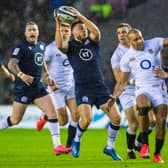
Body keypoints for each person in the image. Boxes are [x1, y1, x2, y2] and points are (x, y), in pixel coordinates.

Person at [55, 7, 122, 160]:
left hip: (100, 87)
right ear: (73, 32)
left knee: (116, 118)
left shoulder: (92, 42)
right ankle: (76, 141)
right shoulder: (70, 46)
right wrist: (58, 24)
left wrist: (81, 17)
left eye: (85, 28)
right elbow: (60, 45)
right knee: (86, 119)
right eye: (80, 28)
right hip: (83, 88)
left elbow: (97, 32)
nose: (84, 30)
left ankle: (109, 147)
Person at [0, 21, 71, 155]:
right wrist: (21, 75)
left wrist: (47, 76)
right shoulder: (21, 47)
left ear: (38, 32)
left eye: (34, 30)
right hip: (24, 88)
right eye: (29, 30)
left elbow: (42, 62)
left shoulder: (42, 46)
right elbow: (11, 64)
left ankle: (57, 146)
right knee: (15, 120)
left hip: (38, 88)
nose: (32, 32)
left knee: (52, 114)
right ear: (25, 33)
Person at [112, 28, 168, 163]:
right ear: (130, 41)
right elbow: (122, 81)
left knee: (160, 122)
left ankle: (157, 154)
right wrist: (113, 97)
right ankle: (145, 144)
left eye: (141, 37)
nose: (140, 41)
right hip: (142, 89)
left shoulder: (154, 43)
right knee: (143, 107)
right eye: (136, 39)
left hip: (159, 90)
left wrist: (166, 74)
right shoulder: (126, 58)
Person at [36, 23, 79, 148]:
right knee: (63, 121)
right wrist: (48, 81)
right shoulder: (51, 48)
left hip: (70, 86)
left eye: (66, 31)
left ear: (70, 33)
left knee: (76, 115)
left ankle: (70, 145)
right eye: (61, 31)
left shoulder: (73, 47)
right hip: (56, 89)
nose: (64, 33)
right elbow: (42, 68)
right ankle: (45, 116)